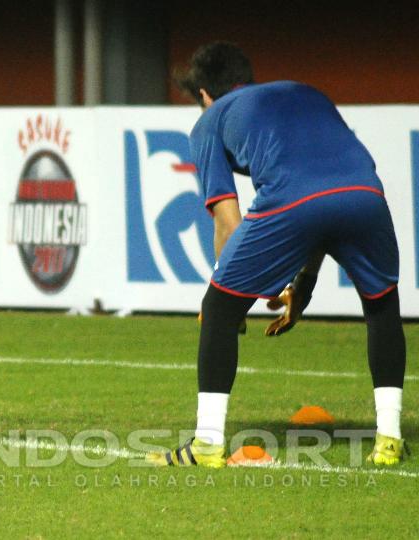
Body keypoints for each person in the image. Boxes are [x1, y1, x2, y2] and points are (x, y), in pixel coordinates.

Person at [149, 42, 407, 467]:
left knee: (215, 308)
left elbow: (228, 220)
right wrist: (303, 285)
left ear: (204, 95)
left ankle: (207, 445)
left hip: (292, 199)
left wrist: (229, 299)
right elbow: (328, 198)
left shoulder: (210, 120)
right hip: (365, 193)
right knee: (382, 306)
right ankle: (390, 440)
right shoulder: (307, 92)